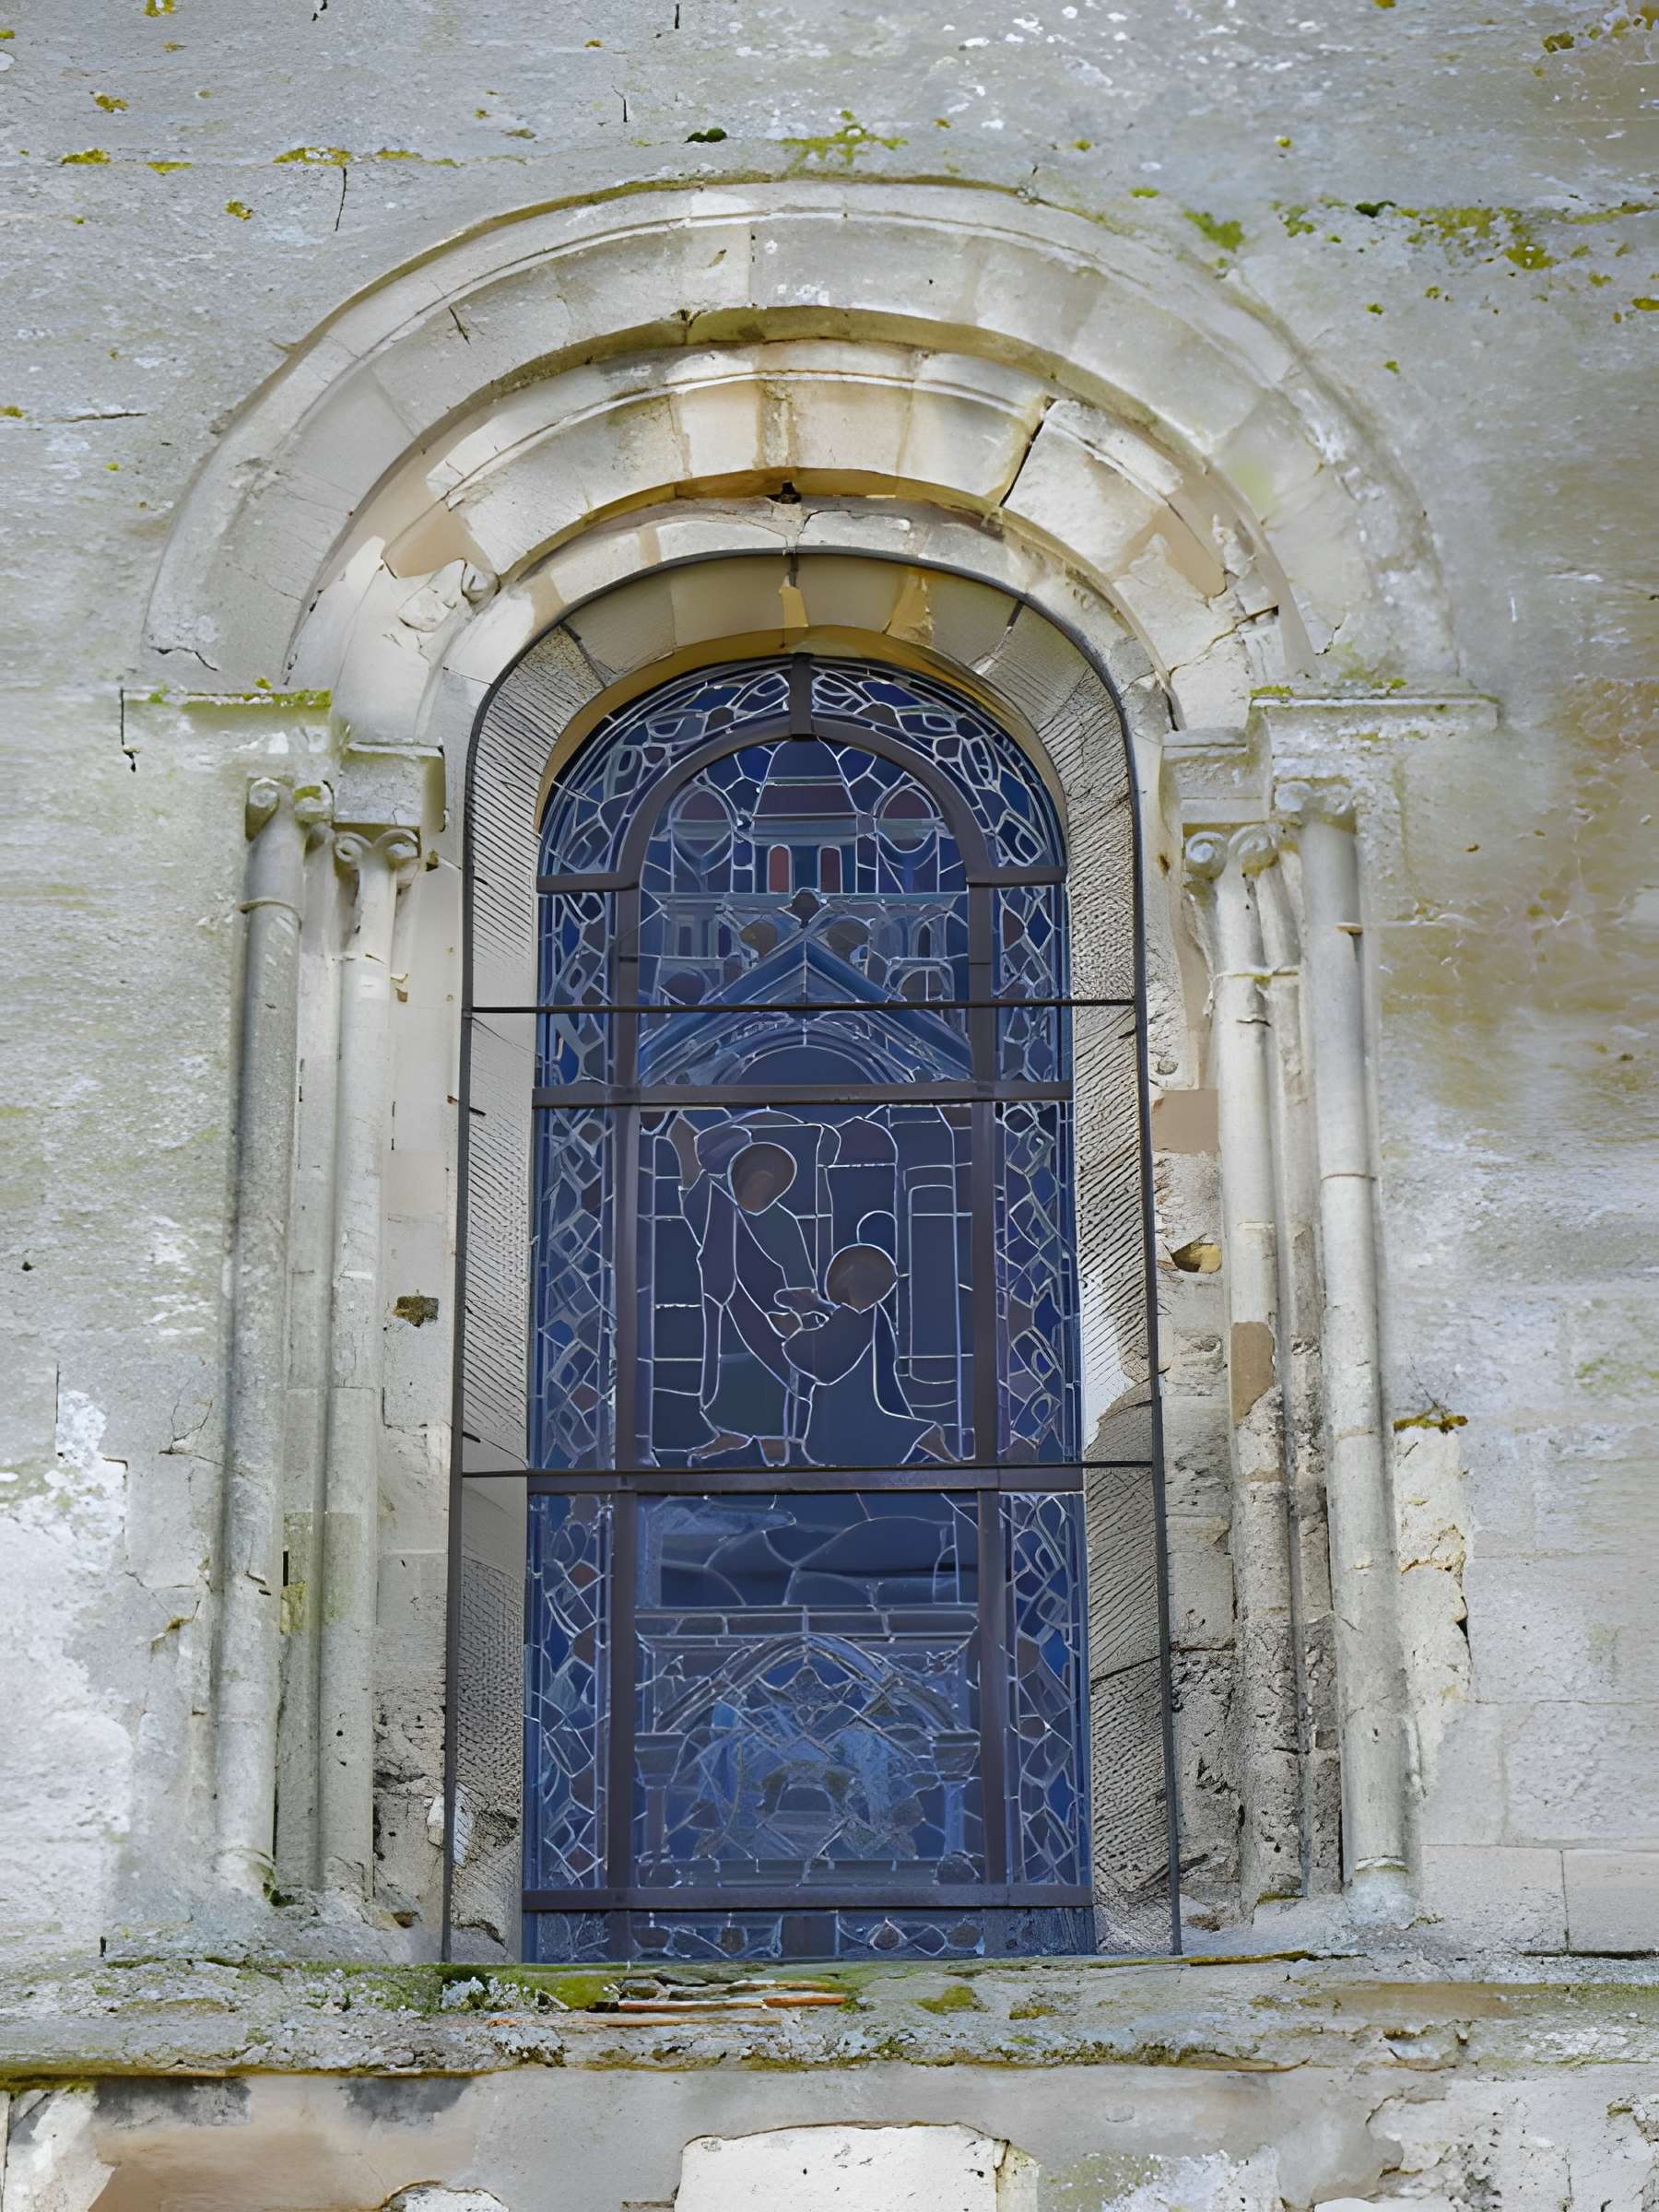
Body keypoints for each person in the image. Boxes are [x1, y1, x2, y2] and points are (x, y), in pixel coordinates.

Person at [670, 1121, 824, 1464]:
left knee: (773, 1389)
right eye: (754, 1182)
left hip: (772, 1324)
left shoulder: (785, 1223)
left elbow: (800, 1281)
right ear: (739, 1177)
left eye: (768, 1186)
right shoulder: (719, 1208)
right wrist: (680, 1138)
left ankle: (777, 1452)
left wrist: (798, 1317)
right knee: (728, 1379)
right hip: (727, 1314)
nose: (759, 1191)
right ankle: (732, 1434)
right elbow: (694, 1186)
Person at [784, 1242, 947, 1466]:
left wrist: (792, 1329)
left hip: (845, 1422)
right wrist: (819, 1306)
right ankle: (948, 1462)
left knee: (924, 1434)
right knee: (925, 1435)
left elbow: (821, 1360)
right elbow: (840, 1327)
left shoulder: (860, 1319)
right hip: (851, 1415)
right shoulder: (872, 1315)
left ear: (846, 1279)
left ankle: (949, 1463)